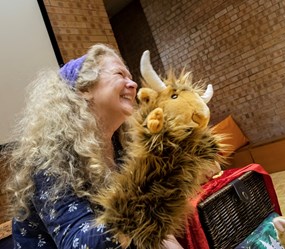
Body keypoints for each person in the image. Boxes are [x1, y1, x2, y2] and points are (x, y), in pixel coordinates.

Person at [5, 44, 183, 248]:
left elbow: (155, 232)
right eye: (120, 74)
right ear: (84, 89)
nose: (133, 84)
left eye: (130, 77)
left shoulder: (121, 147)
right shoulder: (49, 161)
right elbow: (79, 244)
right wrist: (146, 187)